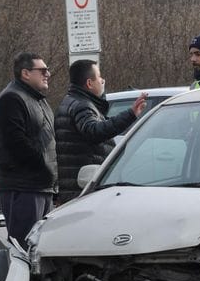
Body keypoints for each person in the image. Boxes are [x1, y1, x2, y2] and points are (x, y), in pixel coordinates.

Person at [0, 52, 57, 249]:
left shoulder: (38, 99)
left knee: (41, 247)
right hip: (23, 187)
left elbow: (48, 142)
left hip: (41, 185)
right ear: (25, 73)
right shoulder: (11, 99)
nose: (48, 74)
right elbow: (16, 145)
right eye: (42, 70)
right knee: (25, 248)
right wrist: (45, 169)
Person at [55, 59, 146, 203]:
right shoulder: (82, 106)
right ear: (89, 83)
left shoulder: (74, 101)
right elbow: (95, 131)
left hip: (75, 188)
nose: (103, 81)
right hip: (83, 189)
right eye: (99, 77)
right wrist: (131, 114)